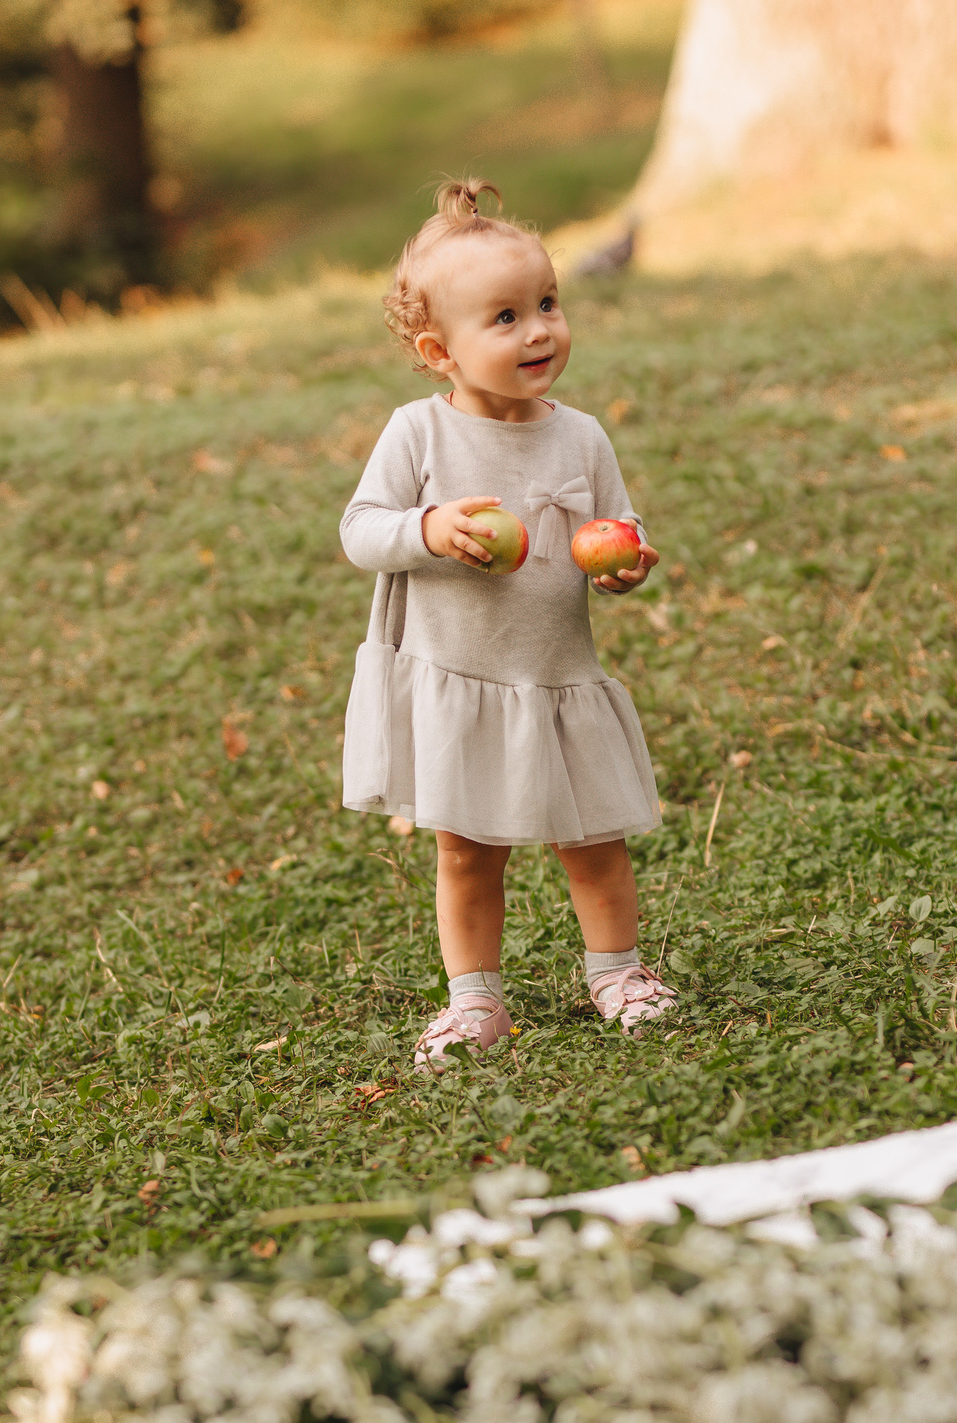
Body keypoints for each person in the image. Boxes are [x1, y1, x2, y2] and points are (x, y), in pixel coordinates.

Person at [339, 178, 678, 1069]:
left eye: (548, 304)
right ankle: (474, 1002)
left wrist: (624, 564)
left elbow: (618, 530)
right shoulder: (417, 434)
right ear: (436, 348)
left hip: (558, 675)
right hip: (462, 680)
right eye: (504, 317)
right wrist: (430, 529)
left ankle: (619, 974)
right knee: (465, 852)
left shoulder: (583, 438)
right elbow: (361, 529)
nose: (538, 330)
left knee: (593, 840)